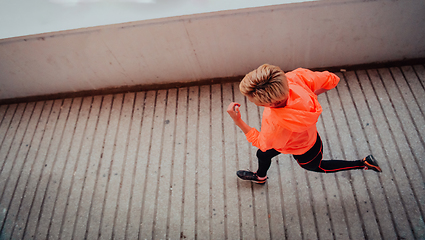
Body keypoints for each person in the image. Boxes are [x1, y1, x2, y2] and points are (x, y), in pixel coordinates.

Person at [227, 64, 381, 184]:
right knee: (262, 155)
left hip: (305, 148)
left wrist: (238, 120)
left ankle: (362, 164)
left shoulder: (276, 124)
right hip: (300, 137)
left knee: (316, 166)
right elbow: (330, 79)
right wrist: (308, 96)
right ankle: (261, 177)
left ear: (272, 103)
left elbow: (262, 142)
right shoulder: (293, 78)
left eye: (254, 100)